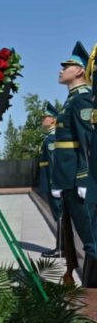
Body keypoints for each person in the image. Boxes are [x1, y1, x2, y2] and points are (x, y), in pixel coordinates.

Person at [50, 41, 97, 286]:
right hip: (66, 179)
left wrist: (83, 176)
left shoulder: (82, 99)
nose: (61, 70)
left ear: (80, 71)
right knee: (84, 239)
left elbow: (87, 142)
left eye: (67, 66)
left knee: (92, 240)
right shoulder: (70, 101)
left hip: (78, 180)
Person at [37, 103, 64, 258]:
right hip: (51, 182)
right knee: (58, 214)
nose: (42, 119)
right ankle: (62, 248)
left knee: (58, 214)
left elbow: (54, 163)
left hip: (53, 183)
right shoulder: (51, 137)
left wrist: (56, 184)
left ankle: (60, 249)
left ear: (53, 120)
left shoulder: (52, 139)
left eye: (45, 117)